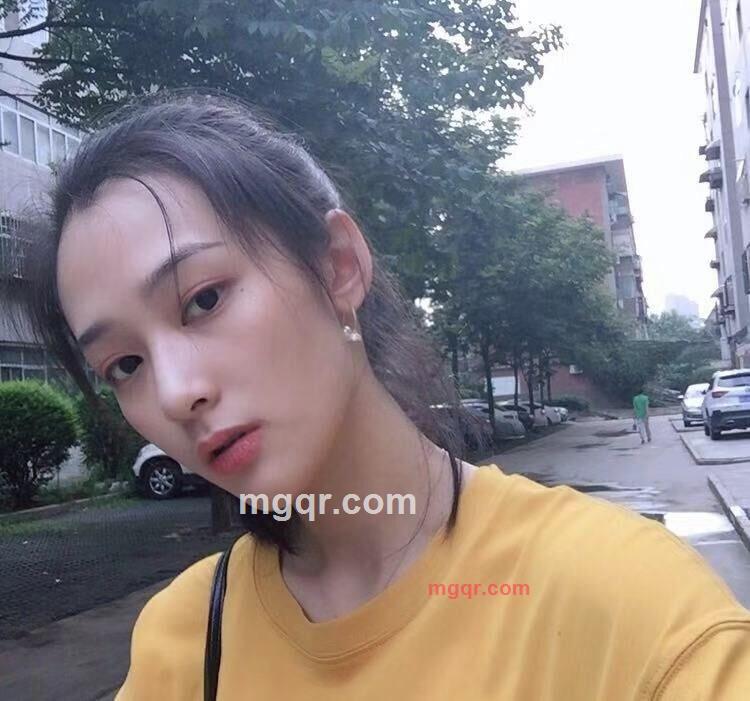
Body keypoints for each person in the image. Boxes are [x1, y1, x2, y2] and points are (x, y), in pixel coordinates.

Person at [15, 91, 750, 699]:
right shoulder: (182, 643)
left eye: (204, 299)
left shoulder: (635, 612)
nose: (176, 393)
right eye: (125, 364)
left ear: (338, 266)